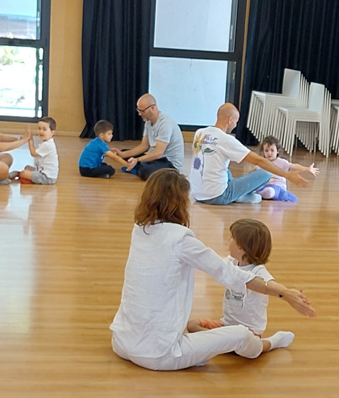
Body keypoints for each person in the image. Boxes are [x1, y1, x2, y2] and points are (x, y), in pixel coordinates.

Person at [110, 168, 316, 371]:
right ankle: (269, 344)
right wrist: (285, 293)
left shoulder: (140, 229)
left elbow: (228, 270)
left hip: (120, 342)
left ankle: (205, 350)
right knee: (243, 334)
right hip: (158, 355)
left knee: (199, 329)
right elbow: (231, 274)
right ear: (179, 203)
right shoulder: (181, 239)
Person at [189, 104, 312, 205]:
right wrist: (287, 175)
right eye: (236, 121)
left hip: (197, 193)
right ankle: (240, 196)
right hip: (217, 196)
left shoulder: (200, 133)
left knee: (225, 170)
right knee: (265, 173)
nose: (235, 125)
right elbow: (260, 161)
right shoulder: (226, 139)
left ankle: (238, 195)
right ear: (230, 119)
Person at [186, 219, 291, 338]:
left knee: (245, 347)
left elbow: (270, 285)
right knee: (192, 325)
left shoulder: (258, 271)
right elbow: (216, 261)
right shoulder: (232, 262)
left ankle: (271, 342)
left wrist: (288, 293)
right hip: (227, 325)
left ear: (240, 247)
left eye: (231, 237)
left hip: (249, 332)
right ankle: (222, 340)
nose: (228, 239)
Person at [116, 94, 185, 180]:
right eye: (138, 110)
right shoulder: (148, 122)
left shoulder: (165, 124)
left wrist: (138, 160)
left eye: (142, 111)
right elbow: (144, 146)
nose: (140, 114)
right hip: (156, 159)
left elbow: (158, 153)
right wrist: (122, 154)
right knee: (127, 155)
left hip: (168, 163)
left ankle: (138, 168)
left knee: (147, 171)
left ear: (152, 107)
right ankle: (139, 166)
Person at [252, 136, 317, 202]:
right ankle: (261, 193)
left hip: (278, 187)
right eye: (266, 150)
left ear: (277, 151)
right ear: (263, 152)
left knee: (270, 191)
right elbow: (253, 173)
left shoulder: (282, 162)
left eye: (272, 150)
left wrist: (307, 169)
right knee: (256, 187)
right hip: (265, 185)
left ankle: (263, 194)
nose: (269, 153)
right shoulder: (262, 162)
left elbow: (294, 166)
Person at [13, 117, 58, 185]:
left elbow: (33, 153)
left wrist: (30, 140)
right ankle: (26, 178)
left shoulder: (48, 145)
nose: (41, 131)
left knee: (24, 173)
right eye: (39, 128)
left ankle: (17, 174)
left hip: (47, 177)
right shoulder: (45, 143)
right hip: (41, 171)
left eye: (44, 129)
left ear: (52, 132)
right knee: (27, 167)